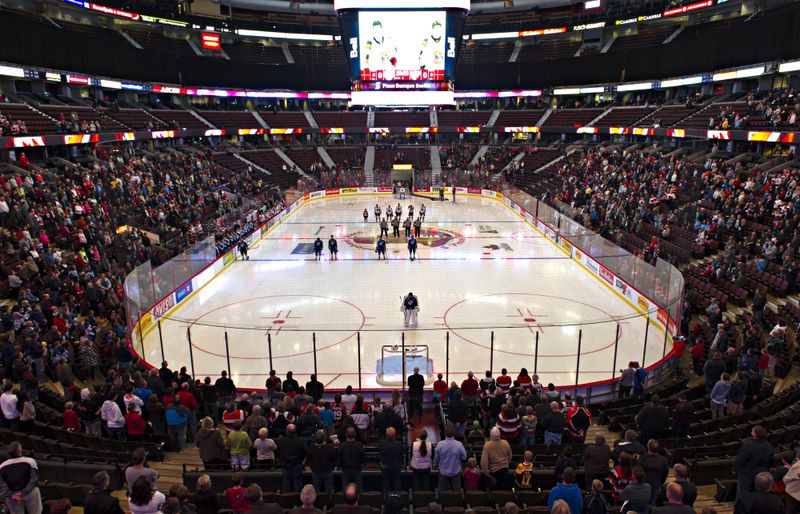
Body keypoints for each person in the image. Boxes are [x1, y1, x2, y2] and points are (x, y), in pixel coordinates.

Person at [0, 442, 41, 514]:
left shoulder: (2, 466)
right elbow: (34, 480)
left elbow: (2, 485)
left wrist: (12, 494)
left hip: (13, 497)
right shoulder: (30, 461)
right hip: (30, 493)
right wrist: (22, 493)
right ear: (20, 451)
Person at [734, 425, 773, 500]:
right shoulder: (769, 445)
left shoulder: (747, 445)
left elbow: (740, 459)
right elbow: (771, 460)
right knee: (759, 497)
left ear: (754, 434)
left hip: (747, 475)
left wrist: (735, 469)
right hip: (762, 475)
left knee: (742, 496)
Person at [434, 425, 467, 492]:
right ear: (453, 434)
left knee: (442, 494)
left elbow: (436, 459)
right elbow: (464, 457)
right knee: (457, 493)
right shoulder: (459, 444)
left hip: (443, 472)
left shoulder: (440, 444)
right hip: (455, 472)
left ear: (445, 433)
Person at [278, 424, 307, 492]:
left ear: (286, 431)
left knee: (286, 483)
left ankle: (287, 500)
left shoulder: (281, 441)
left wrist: (281, 460)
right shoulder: (300, 441)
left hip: (285, 465)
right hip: (297, 465)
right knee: (297, 483)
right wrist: (301, 460)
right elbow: (305, 452)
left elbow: (278, 452)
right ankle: (296, 499)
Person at [339, 426, 365, 491]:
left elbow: (339, 460)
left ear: (346, 434)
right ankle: (358, 500)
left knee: (346, 490)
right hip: (357, 470)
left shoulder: (342, 446)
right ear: (355, 434)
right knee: (358, 490)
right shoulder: (360, 445)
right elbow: (364, 458)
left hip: (346, 470)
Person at [378, 427, 404, 492]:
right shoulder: (399, 444)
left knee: (386, 485)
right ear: (395, 435)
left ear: (386, 435)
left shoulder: (381, 443)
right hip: (396, 467)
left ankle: (387, 499)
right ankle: (397, 500)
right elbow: (401, 454)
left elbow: (380, 453)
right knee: (397, 485)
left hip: (385, 467)